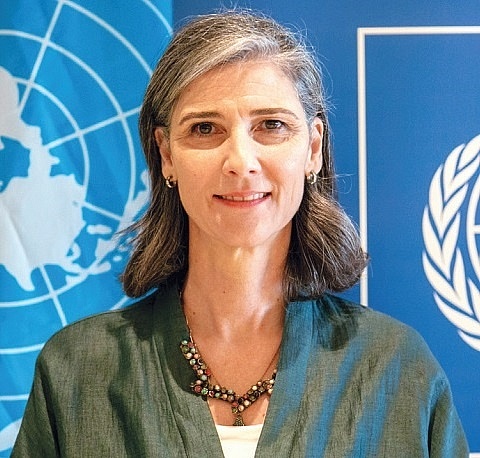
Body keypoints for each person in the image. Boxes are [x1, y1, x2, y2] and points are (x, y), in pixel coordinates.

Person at [12, 10, 468, 458]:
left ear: (313, 148)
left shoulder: (397, 369)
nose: (241, 162)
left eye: (271, 125)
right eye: (205, 128)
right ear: (166, 155)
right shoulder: (78, 371)